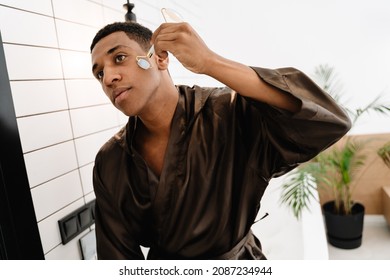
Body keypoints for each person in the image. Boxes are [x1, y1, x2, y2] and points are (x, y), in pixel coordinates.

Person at [90, 20, 351, 260]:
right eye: (99, 73)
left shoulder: (227, 113)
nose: (109, 78)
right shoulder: (110, 161)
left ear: (159, 58)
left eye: (119, 58)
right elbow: (116, 259)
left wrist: (209, 62)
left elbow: (327, 121)